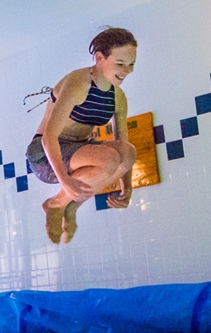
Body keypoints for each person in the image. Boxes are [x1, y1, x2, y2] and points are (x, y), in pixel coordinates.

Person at [26, 28, 137, 244]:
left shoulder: (119, 98)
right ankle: (55, 204)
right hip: (45, 155)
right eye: (120, 64)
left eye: (131, 65)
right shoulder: (78, 84)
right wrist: (65, 181)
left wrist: (128, 188)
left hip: (78, 151)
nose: (127, 71)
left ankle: (73, 205)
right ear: (99, 58)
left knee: (127, 153)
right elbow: (49, 137)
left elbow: (123, 144)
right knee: (109, 159)